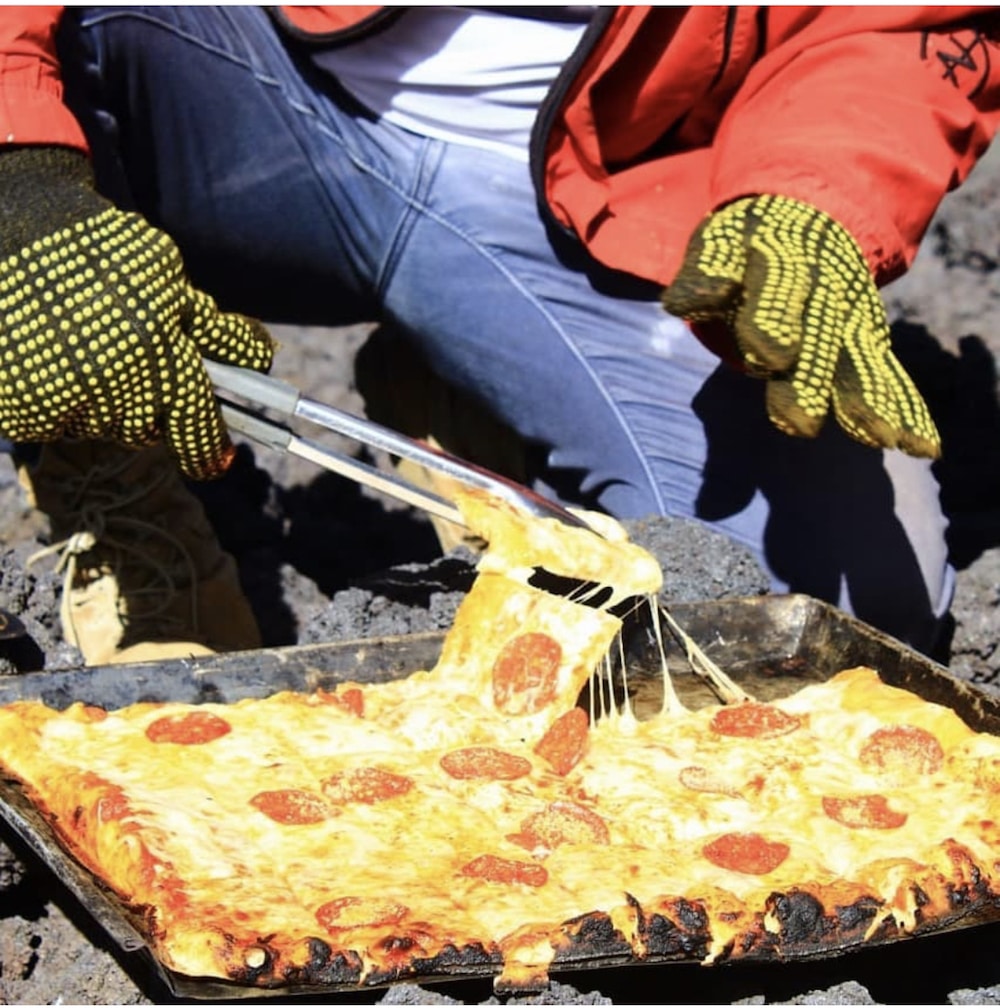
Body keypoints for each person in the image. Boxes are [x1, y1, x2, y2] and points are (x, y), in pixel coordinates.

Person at [0, 6, 997, 665]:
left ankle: (463, 383)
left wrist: (813, 196)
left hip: (595, 183)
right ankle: (114, 459)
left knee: (809, 629)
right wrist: (19, 173)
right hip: (213, 77)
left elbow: (895, 21)